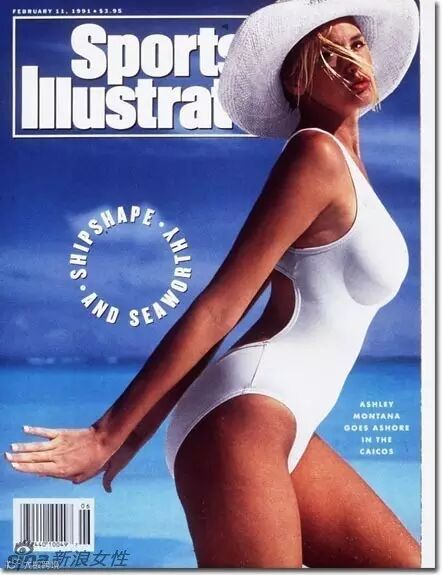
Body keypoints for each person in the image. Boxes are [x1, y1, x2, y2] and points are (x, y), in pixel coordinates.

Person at [5, 0, 421, 568]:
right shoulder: (314, 155)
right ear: (297, 81)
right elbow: (221, 307)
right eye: (327, 55)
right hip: (245, 418)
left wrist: (137, 437)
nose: (351, 61)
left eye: (355, 44)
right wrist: (109, 434)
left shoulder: (351, 172)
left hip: (279, 421)